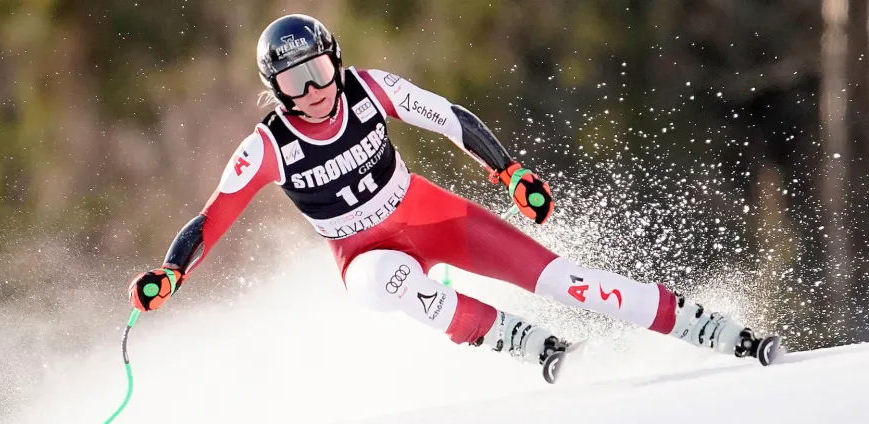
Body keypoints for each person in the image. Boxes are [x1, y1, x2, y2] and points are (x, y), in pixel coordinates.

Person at [128, 14, 779, 377]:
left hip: (431, 214)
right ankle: (526, 344)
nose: (315, 90)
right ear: (277, 89)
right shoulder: (267, 148)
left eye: (320, 71)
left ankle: (715, 331)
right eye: (296, 83)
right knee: (389, 280)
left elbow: (451, 118)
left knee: (566, 281)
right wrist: (171, 273)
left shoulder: (370, 90)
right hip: (364, 256)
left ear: (336, 62)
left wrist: (511, 174)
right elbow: (211, 218)